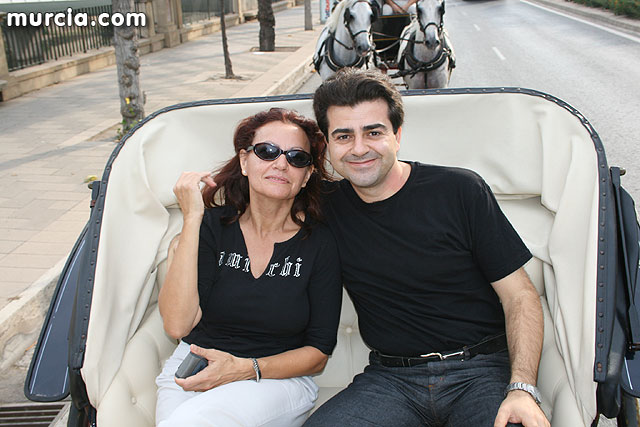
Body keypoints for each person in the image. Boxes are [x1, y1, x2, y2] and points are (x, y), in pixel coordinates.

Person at [304, 68, 550, 427]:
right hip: (391, 380)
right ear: (327, 144)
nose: (359, 148)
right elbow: (263, 194)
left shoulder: (459, 190)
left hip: (480, 372)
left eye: (374, 132)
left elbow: (520, 296)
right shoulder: (323, 205)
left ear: (397, 135)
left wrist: (522, 389)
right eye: (344, 136)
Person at [155, 108, 342, 426]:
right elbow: (177, 326)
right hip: (193, 366)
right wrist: (192, 219)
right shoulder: (212, 227)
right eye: (267, 151)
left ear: (307, 175)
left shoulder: (319, 243)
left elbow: (318, 353)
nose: (281, 163)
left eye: (297, 158)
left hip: (274, 379)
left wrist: (244, 369)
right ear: (244, 161)